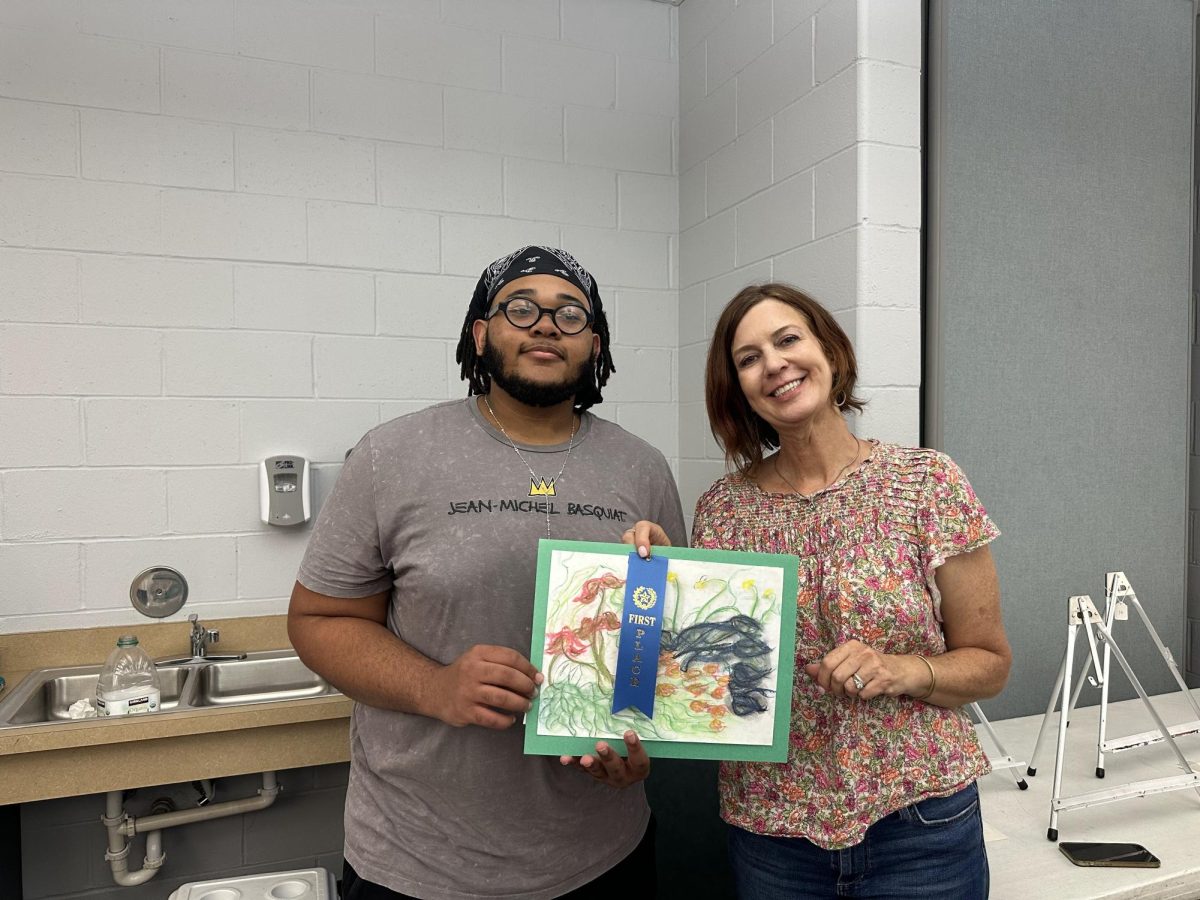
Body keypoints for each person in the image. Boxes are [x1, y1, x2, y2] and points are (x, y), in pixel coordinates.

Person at [288, 246, 688, 900]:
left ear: (594, 343)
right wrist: (434, 687)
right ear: (481, 333)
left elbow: (665, 646)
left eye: (571, 314)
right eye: (521, 308)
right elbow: (317, 620)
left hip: (602, 856)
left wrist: (646, 742)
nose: (546, 325)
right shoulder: (392, 453)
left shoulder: (641, 467)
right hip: (418, 864)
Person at [690, 282, 1011, 899]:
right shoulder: (722, 512)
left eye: (788, 340)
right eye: (749, 358)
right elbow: (713, 681)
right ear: (738, 390)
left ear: (830, 353)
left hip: (921, 827)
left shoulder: (927, 483)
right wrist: (642, 577)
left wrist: (901, 670)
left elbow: (991, 665)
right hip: (772, 830)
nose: (774, 364)